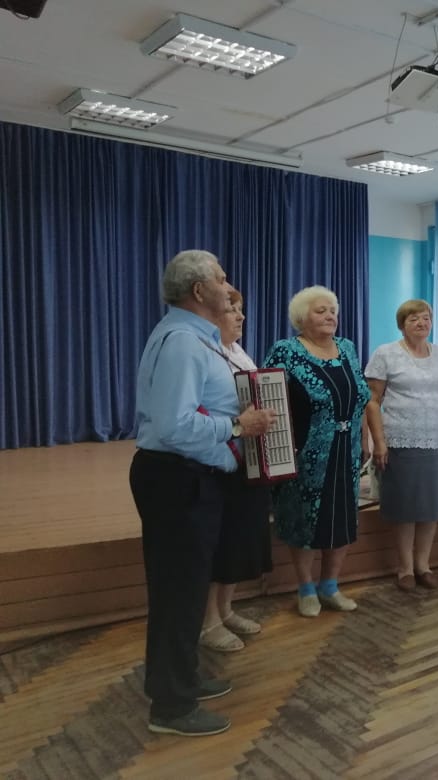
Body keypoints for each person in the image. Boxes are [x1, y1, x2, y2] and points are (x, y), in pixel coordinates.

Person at [129, 250, 275, 736]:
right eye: (221, 278)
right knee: (178, 595)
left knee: (186, 591)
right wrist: (238, 425)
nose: (229, 286)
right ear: (198, 291)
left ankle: (180, 681)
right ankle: (171, 709)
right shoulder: (183, 343)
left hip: (189, 478)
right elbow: (175, 425)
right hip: (178, 479)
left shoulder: (194, 337)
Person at [263, 286, 387, 618]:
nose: (330, 315)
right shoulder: (285, 351)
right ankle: (305, 588)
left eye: (333, 310)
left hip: (346, 451)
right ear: (301, 318)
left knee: (342, 520)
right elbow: (267, 400)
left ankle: (330, 586)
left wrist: (366, 438)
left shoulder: (347, 348)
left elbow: (361, 397)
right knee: (304, 521)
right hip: (305, 452)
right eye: (321, 311)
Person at [198, 289, 273, 652]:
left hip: (248, 459)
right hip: (217, 460)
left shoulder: (239, 353)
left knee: (239, 539)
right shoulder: (203, 353)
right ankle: (208, 622)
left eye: (241, 310)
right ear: (212, 314)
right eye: (232, 310)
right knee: (220, 543)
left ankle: (226, 609)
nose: (241, 316)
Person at [364, 300, 438, 591]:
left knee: (432, 506)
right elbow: (372, 401)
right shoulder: (386, 353)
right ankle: (404, 568)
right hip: (402, 440)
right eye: (413, 318)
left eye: (426, 318)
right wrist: (378, 442)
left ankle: (423, 565)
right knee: (405, 506)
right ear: (402, 325)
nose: (421, 323)